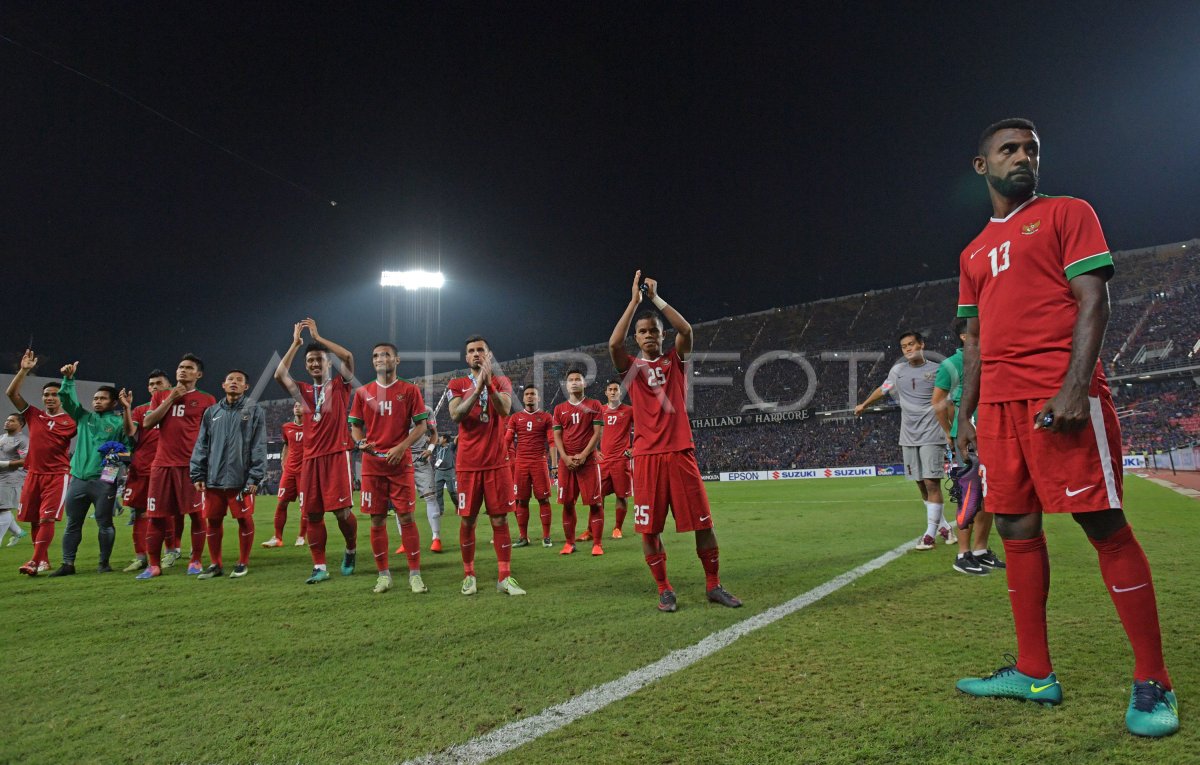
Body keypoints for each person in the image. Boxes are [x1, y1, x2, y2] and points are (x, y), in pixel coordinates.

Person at [953, 118, 1177, 737]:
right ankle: (1033, 672)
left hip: (1058, 395)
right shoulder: (972, 252)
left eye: (1031, 149)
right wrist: (967, 417)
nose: (1023, 157)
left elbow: (1093, 300)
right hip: (997, 409)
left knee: (1103, 525)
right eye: (1009, 149)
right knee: (1016, 527)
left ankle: (1154, 682)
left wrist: (1075, 386)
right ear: (983, 166)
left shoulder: (1066, 213)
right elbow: (973, 344)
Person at [607, 272, 741, 611]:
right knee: (649, 529)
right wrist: (634, 302)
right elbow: (612, 345)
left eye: (654, 330)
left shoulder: (674, 361)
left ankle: (713, 584)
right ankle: (664, 588)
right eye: (643, 331)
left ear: (661, 335)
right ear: (636, 338)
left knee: (703, 523)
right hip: (647, 456)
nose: (649, 335)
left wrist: (655, 299)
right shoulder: (631, 368)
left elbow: (687, 331)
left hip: (680, 451)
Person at [274, 318, 358, 585]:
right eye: (309, 360)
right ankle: (319, 566)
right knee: (312, 514)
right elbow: (279, 375)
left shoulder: (340, 386)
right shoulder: (303, 392)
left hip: (336, 455)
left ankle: (351, 549)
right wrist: (296, 344)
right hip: (310, 459)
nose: (313, 364)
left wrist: (318, 337)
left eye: (319, 359)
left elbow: (348, 355)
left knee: (342, 513)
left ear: (328, 363)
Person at [855, 331, 957, 550]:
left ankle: (929, 535)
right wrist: (865, 404)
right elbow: (884, 389)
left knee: (932, 482)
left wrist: (950, 432)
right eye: (904, 347)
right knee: (921, 484)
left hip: (932, 433)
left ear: (922, 345)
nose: (909, 349)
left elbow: (947, 404)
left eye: (912, 344)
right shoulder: (897, 371)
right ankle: (944, 527)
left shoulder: (937, 370)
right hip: (908, 435)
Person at [348, 342, 431, 594]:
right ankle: (383, 575)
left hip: (400, 463)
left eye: (386, 355)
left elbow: (422, 426)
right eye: (375, 355)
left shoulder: (409, 390)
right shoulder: (363, 392)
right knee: (376, 519)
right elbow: (355, 426)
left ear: (397, 360)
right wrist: (360, 442)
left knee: (406, 516)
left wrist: (401, 446)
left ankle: (414, 574)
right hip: (373, 465)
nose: (380, 358)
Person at [446, 335, 525, 596]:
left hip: (496, 463)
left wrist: (487, 383)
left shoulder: (502, 381)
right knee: (468, 520)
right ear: (466, 357)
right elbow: (457, 414)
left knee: (500, 519)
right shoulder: (456, 384)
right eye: (471, 351)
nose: (476, 354)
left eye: (481, 350)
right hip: (468, 464)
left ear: (489, 355)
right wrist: (478, 387)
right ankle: (469, 575)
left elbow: (504, 410)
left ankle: (505, 576)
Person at [50, 362, 134, 576]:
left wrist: (117, 457)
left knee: (105, 523)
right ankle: (68, 564)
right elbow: (68, 401)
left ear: (113, 402)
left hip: (105, 479)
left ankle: (103, 563)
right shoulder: (83, 417)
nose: (97, 401)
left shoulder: (119, 423)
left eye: (103, 398)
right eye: (95, 398)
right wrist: (68, 380)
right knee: (72, 524)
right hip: (78, 478)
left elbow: (130, 450)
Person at [137, 354, 217, 578]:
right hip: (161, 465)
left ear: (198, 374)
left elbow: (211, 434)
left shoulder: (206, 399)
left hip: (191, 467)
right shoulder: (162, 395)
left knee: (197, 515)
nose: (182, 370)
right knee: (155, 516)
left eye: (189, 368)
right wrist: (170, 398)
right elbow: (148, 422)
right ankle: (153, 565)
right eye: (180, 367)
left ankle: (196, 560)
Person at [934, 317, 1003, 575]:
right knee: (969, 494)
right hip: (969, 437)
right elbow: (937, 402)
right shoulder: (951, 364)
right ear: (964, 336)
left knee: (989, 495)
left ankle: (980, 550)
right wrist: (950, 431)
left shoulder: (992, 356)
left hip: (994, 433)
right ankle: (962, 555)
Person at [190, 370, 267, 579]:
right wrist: (197, 474)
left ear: (246, 387)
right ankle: (215, 564)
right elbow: (201, 444)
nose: (234, 382)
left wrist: (254, 477)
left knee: (244, 519)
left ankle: (243, 562)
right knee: (213, 521)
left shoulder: (254, 410)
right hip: (213, 480)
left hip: (240, 480)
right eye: (230, 379)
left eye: (239, 380)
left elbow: (259, 445)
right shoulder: (211, 412)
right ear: (223, 385)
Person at [7, 350, 77, 575]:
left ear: (61, 398)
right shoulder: (33, 415)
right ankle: (44, 560)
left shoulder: (70, 421)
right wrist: (24, 370)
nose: (50, 397)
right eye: (47, 394)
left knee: (47, 517)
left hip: (57, 475)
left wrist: (70, 382)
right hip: (33, 474)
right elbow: (11, 393)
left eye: (55, 394)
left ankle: (35, 562)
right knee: (35, 520)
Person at [122, 370, 173, 572]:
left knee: (166, 512)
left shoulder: (176, 407)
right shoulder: (140, 410)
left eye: (159, 383)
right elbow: (130, 432)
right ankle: (140, 556)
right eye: (151, 384)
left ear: (168, 386)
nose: (154, 387)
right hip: (141, 468)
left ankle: (170, 552)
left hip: (167, 468)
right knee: (139, 513)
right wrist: (127, 408)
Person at [552, 369, 604, 556]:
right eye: (570, 380)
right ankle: (569, 543)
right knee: (567, 503)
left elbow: (597, 434)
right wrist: (565, 458)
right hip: (567, 463)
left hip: (588, 462)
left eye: (577, 379)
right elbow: (557, 436)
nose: (574, 382)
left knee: (595, 503)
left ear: (584, 383)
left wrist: (583, 455)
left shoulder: (594, 405)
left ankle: (597, 543)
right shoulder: (559, 409)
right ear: (566, 385)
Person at [505, 385, 555, 548]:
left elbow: (552, 441)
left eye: (533, 394)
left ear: (538, 398)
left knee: (544, 499)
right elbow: (507, 440)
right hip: (521, 463)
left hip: (539, 462)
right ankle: (523, 537)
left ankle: (546, 536)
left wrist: (554, 465)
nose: (530, 396)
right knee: (521, 501)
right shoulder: (515, 418)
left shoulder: (546, 417)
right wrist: (501, 459)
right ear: (523, 398)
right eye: (527, 394)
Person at [398, 402, 442, 554]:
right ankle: (405, 541)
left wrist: (430, 449)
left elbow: (434, 433)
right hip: (400, 458)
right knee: (400, 502)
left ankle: (436, 538)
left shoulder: (426, 410)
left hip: (420, 458)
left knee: (430, 497)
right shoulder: (394, 408)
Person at [263, 402, 308, 548]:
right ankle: (277, 538)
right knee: (282, 502)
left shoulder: (312, 426)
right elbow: (286, 445)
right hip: (289, 471)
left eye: (300, 405)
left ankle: (301, 536)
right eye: (295, 405)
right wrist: (283, 461)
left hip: (305, 472)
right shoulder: (286, 427)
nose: (297, 407)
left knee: (305, 506)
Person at [598, 379, 634, 540]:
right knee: (598, 496)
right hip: (603, 461)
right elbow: (589, 432)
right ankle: (593, 529)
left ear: (620, 392)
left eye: (616, 389)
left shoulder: (629, 411)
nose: (613, 392)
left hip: (621, 460)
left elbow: (643, 429)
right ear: (606, 393)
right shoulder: (600, 411)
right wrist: (594, 451)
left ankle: (617, 528)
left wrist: (634, 449)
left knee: (621, 495)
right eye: (610, 389)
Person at [0, 413, 29, 547]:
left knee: (3, 509)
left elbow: (25, 461)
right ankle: (18, 531)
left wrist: (3, 464)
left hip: (11, 478)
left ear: (20, 424)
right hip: (1, 476)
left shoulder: (23, 440)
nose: (7, 422)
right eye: (7, 419)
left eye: (11, 420)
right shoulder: (2, 437)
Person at [432, 433, 457, 524]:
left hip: (449, 471)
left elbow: (456, 440)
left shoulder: (451, 446)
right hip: (439, 471)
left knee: (452, 491)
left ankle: (457, 504)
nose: (439, 438)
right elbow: (429, 440)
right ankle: (440, 511)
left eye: (441, 437)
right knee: (438, 492)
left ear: (445, 439)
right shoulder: (437, 447)